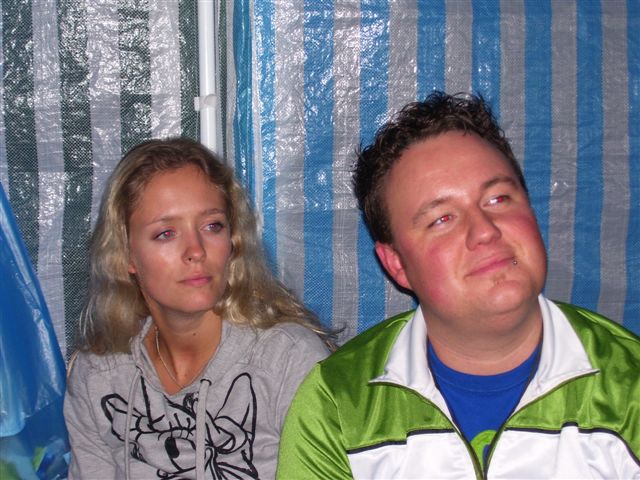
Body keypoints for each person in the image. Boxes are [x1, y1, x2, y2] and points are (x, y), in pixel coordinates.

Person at [277, 92, 640, 479]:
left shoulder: (629, 385)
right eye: (442, 219)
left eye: (498, 198)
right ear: (397, 264)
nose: (485, 230)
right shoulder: (338, 404)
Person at [64, 138, 329, 479]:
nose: (196, 250)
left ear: (233, 241)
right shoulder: (99, 374)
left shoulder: (287, 360)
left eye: (212, 226)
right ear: (126, 255)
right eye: (166, 233)